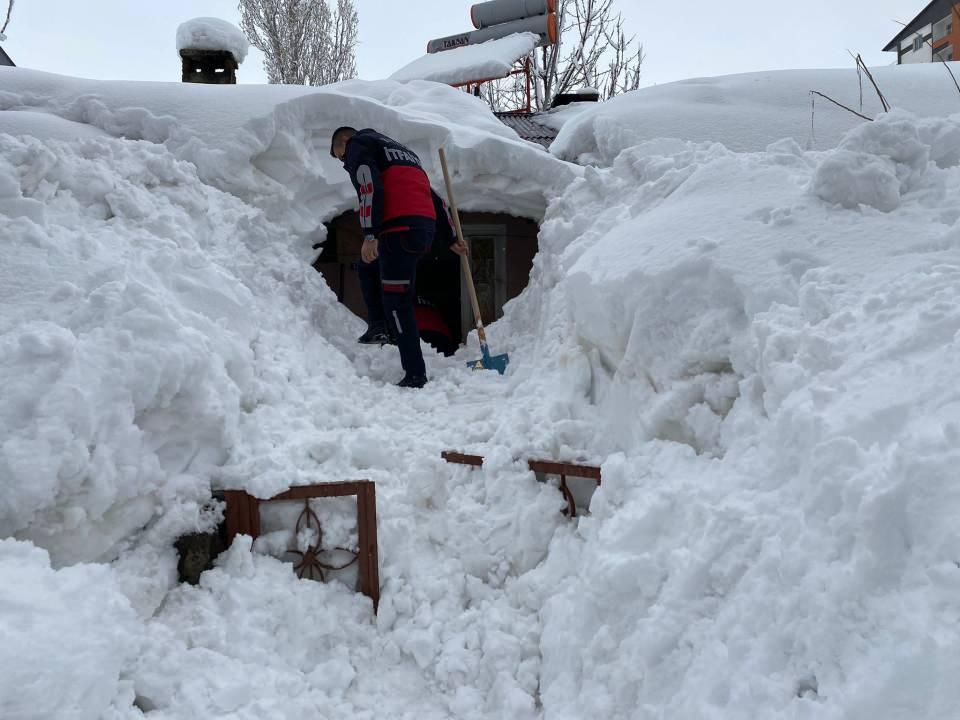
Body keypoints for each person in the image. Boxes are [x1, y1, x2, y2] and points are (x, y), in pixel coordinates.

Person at [330, 126, 465, 388]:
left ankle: (415, 373)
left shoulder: (358, 145)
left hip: (398, 231)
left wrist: (370, 234)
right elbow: (435, 198)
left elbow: (369, 187)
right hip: (420, 231)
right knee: (367, 266)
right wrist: (449, 238)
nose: (343, 161)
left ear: (344, 141)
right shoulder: (406, 155)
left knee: (397, 303)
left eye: (339, 156)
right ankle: (378, 325)